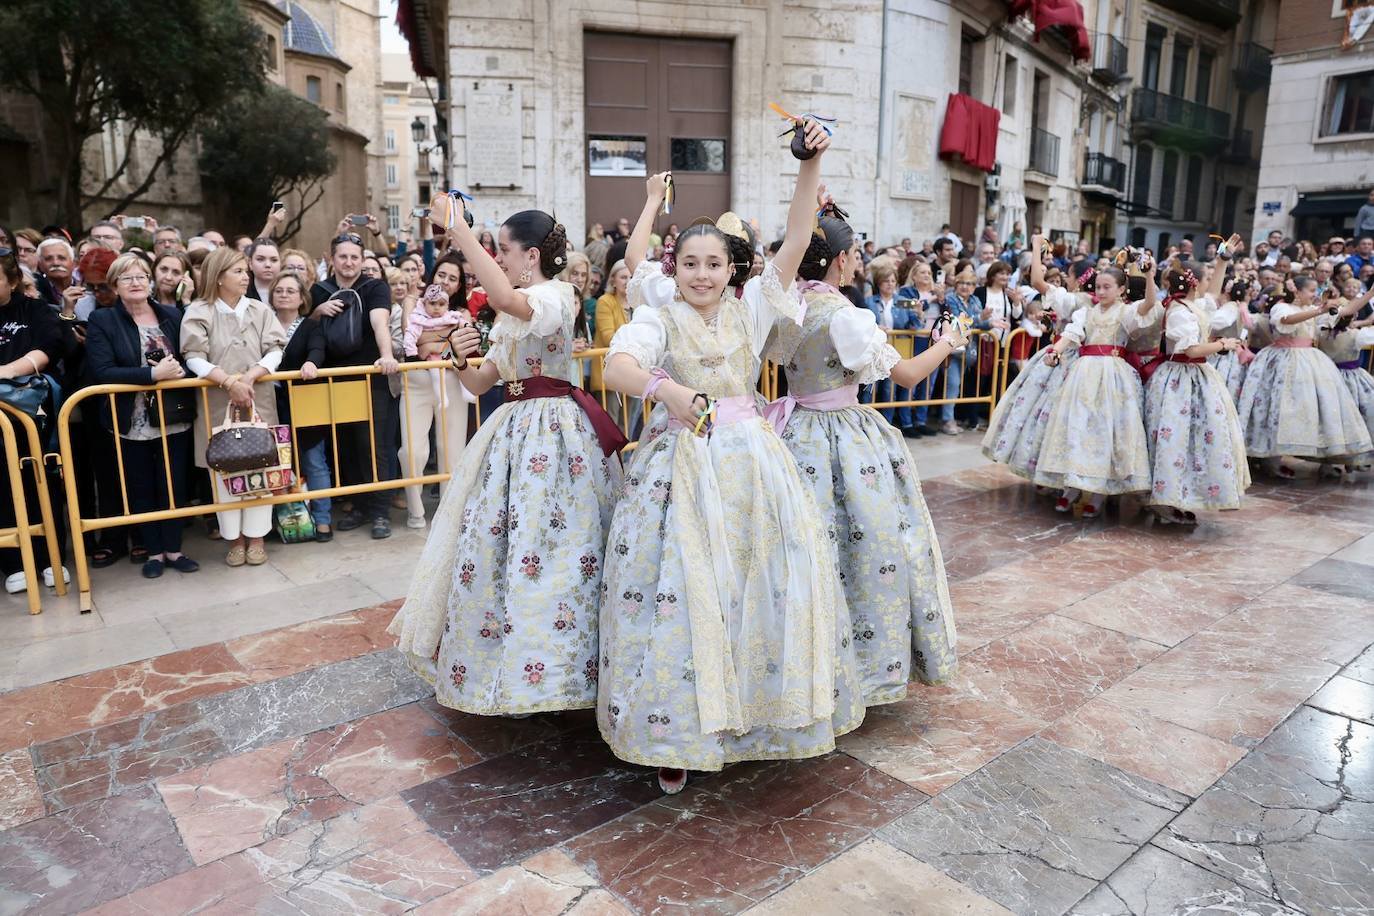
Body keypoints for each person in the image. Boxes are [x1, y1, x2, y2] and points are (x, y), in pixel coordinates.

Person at [597, 121, 862, 796]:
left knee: (762, 586)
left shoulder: (753, 307)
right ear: (674, 268)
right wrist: (668, 389)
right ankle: (677, 734)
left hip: (753, 466)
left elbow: (798, 240)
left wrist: (811, 165)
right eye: (691, 264)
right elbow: (621, 366)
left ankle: (761, 716)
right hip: (682, 469)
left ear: (732, 268)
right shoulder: (659, 317)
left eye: (714, 264)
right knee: (686, 593)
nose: (703, 275)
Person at [388, 200, 624, 721]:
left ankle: (566, 667)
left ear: (530, 256)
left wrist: (460, 232)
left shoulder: (556, 296)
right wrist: (456, 355)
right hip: (513, 431)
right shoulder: (511, 313)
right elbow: (479, 383)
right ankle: (510, 666)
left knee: (560, 547)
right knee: (500, 547)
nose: (495, 258)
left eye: (503, 250)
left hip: (557, 433)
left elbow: (502, 296)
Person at [764, 198, 961, 710]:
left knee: (803, 549)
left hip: (793, 431)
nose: (855, 260)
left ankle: (804, 665)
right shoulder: (845, 315)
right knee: (866, 549)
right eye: (852, 253)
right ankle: (859, 669)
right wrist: (947, 343)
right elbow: (908, 375)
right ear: (842, 259)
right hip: (841, 436)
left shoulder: (786, 305)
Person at [84, 254, 200, 578]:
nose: (136, 283)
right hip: (129, 419)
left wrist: (179, 371)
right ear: (114, 286)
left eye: (141, 276)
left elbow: (192, 356)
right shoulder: (103, 320)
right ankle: (153, 553)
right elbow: (102, 370)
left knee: (173, 484)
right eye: (127, 278)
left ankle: (175, 549)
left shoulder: (173, 315)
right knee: (140, 486)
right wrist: (152, 375)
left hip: (172, 415)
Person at [180, 246, 287, 566]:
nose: (246, 276)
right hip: (218, 404)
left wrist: (251, 378)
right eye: (238, 271)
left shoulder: (259, 309)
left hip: (258, 401)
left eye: (246, 271)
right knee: (225, 473)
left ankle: (257, 540)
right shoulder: (199, 311)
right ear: (219, 276)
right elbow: (193, 356)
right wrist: (229, 382)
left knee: (262, 467)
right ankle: (235, 541)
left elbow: (276, 349)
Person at [1034, 260, 1157, 517]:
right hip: (1084, 374)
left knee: (1106, 430)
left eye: (1107, 287)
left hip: (1113, 375)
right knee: (1078, 427)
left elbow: (1148, 306)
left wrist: (1150, 276)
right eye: (1098, 287)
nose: (1100, 292)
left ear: (1121, 289)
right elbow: (1072, 334)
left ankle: (1100, 492)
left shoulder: (1126, 312)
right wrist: (1054, 351)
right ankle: (1072, 486)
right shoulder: (1086, 312)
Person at [1143, 247, 1251, 523]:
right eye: (1204, 279)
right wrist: (1223, 344)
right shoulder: (1179, 312)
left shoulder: (1193, 305)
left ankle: (1178, 494)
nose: (1208, 284)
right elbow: (1190, 349)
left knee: (1190, 440)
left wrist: (1223, 260)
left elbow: (1212, 294)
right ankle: (1163, 500)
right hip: (1179, 377)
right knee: (1173, 439)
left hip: (1195, 377)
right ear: (1193, 283)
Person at [310, 232, 400, 538]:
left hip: (371, 377)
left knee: (373, 446)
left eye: (354, 257)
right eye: (343, 256)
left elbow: (380, 322)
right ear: (332, 259)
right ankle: (359, 506)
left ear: (362, 261)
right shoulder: (320, 291)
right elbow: (307, 332)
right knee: (345, 446)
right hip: (334, 378)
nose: (348, 262)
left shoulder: (375, 287)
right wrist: (316, 312)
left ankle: (380, 512)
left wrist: (386, 355)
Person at [1239, 275, 1373, 476]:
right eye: (1311, 291)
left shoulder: (1311, 311)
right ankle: (1267, 458)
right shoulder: (1283, 307)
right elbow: (1286, 321)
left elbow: (1348, 310)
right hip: (1283, 360)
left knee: (1302, 409)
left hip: (1308, 363)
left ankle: (1290, 453)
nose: (1315, 294)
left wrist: (1370, 293)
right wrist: (1318, 310)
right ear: (1298, 291)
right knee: (1277, 408)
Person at [0, 241, 69, 594]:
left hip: (30, 414)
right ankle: (14, 562)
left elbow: (49, 346)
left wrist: (6, 371)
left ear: (11, 281)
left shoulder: (34, 310)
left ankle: (50, 558)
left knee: (39, 482)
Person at [398, 268, 470, 529]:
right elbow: (412, 339)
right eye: (441, 275)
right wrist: (439, 340)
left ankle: (450, 509)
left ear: (459, 284)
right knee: (412, 451)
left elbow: (461, 343)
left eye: (453, 278)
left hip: (451, 379)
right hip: (416, 380)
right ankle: (415, 510)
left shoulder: (461, 313)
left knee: (451, 449)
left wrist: (430, 344)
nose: (446, 282)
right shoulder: (413, 303)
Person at [268, 271, 332, 542]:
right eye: (279, 290)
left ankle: (323, 520)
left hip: (305, 402)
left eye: (290, 291)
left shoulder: (310, 326)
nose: (284, 295)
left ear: (301, 298)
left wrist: (311, 363)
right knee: (275, 467)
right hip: (271, 404)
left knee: (314, 461)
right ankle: (284, 523)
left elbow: (317, 349)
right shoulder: (264, 323)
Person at [1314, 282, 1374, 474]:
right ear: (1353, 317)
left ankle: (1328, 461)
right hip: (1352, 380)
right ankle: (1354, 458)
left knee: (1329, 419)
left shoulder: (1321, 330)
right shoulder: (1358, 335)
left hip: (1326, 378)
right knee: (1357, 418)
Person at [864, 258, 919, 434]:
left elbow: (915, 325)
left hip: (896, 349)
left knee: (889, 388)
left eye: (893, 281)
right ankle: (866, 424)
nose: (890, 284)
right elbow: (864, 324)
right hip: (874, 349)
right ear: (879, 283)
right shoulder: (870, 301)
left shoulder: (903, 300)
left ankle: (886, 425)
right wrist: (874, 327)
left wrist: (918, 313)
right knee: (870, 386)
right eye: (886, 281)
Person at [592, 259, 638, 433]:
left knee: (628, 424)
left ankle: (625, 459)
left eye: (631, 277)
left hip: (634, 370)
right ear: (613, 280)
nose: (628, 281)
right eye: (623, 277)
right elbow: (608, 337)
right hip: (611, 371)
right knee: (610, 423)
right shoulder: (606, 301)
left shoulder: (638, 304)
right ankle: (610, 460)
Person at [247, 239, 280, 304]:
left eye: (274, 260)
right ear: (250, 263)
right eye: (260, 259)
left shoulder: (291, 292)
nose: (268, 265)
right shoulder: (241, 293)